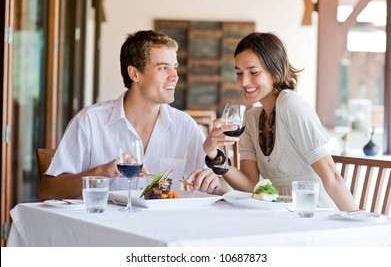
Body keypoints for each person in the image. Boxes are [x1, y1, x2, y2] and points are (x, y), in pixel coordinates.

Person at [38, 30, 220, 201]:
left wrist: (212, 181)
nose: (175, 76)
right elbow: (47, 190)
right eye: (163, 68)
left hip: (167, 231)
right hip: (104, 232)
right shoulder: (90, 122)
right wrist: (101, 172)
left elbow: (218, 188)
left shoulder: (186, 127)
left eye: (175, 67)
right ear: (134, 73)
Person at [202, 32, 358, 211]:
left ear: (275, 71)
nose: (244, 81)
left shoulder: (291, 104)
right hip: (279, 217)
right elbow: (249, 185)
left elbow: (331, 176)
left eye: (254, 72)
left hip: (315, 215)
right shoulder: (251, 119)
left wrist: (360, 223)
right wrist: (213, 154)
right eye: (239, 73)